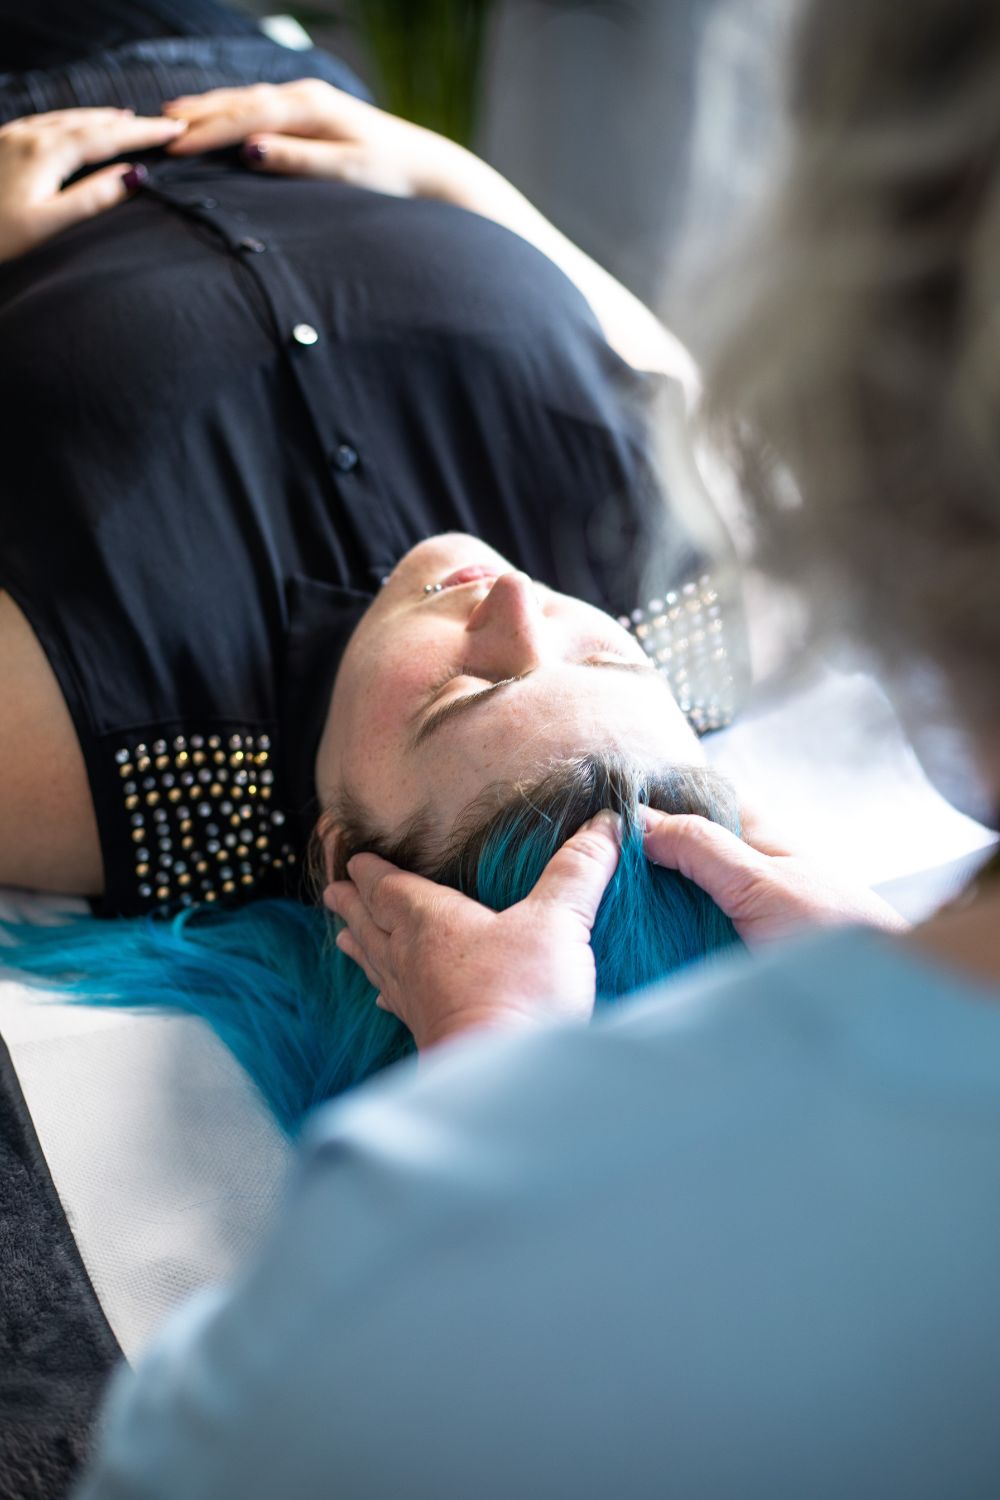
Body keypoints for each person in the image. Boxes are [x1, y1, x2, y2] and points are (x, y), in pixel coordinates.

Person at [70, 0, 1000, 1494]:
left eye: (456, 698)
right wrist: (461, 187)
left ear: (342, 868)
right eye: (600, 646)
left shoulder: (107, 770)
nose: (509, 593)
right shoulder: (702, 584)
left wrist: (491, 1114)